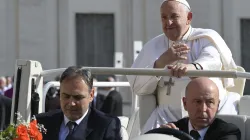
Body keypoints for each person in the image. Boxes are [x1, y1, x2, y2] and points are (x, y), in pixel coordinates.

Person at [127, 0, 240, 133]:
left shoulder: (206, 38)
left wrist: (191, 68)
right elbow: (137, 86)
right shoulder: (153, 46)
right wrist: (161, 62)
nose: (168, 23)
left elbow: (212, 60)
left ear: (189, 18)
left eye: (174, 16)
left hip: (210, 113)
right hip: (167, 115)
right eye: (164, 17)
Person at [36, 66, 121, 140]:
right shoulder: (42, 122)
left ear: (91, 95)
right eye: (66, 96)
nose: (71, 103)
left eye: (78, 97)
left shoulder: (106, 126)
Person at [157, 77, 241, 140]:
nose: (203, 109)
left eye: (209, 102)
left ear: (217, 105)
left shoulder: (228, 132)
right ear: (185, 103)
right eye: (197, 102)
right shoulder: (172, 130)